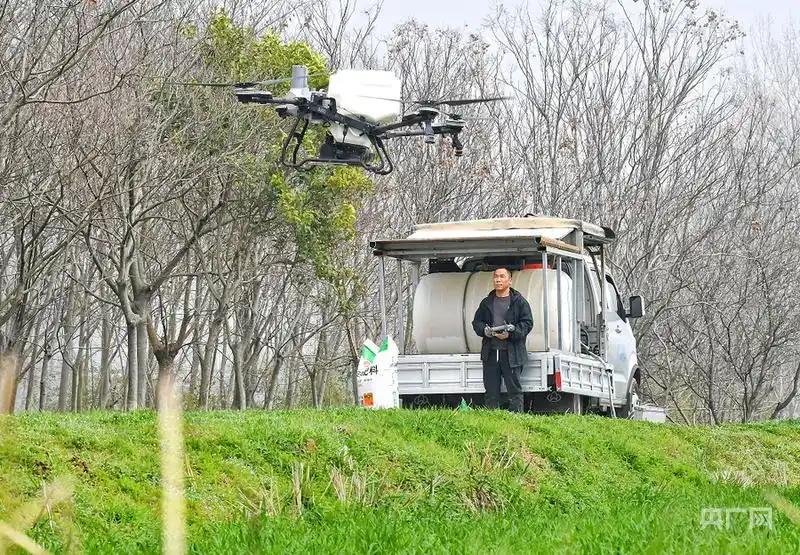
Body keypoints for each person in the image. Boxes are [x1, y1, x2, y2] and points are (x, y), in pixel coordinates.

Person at [471, 267, 533, 412]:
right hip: (491, 353)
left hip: (512, 353)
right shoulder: (486, 302)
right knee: (491, 390)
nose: (498, 280)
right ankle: (492, 419)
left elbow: (527, 323)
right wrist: (485, 331)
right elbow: (477, 322)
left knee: (514, 390)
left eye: (502, 276)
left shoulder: (519, 302)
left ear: (510, 281)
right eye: (496, 276)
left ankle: (517, 417)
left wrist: (511, 334)